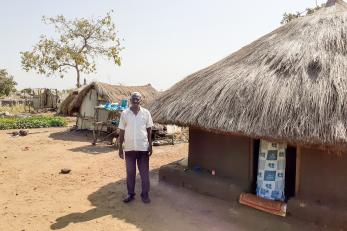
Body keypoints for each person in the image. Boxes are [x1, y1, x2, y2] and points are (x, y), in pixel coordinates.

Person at [118, 92, 154, 203]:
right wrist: (120, 147)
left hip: (143, 147)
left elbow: (149, 129)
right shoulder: (125, 113)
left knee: (144, 173)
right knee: (130, 172)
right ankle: (130, 194)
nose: (135, 101)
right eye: (133, 99)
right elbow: (121, 131)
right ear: (130, 100)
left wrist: (150, 145)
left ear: (140, 100)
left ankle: (145, 194)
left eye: (137, 99)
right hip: (129, 148)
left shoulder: (146, 113)